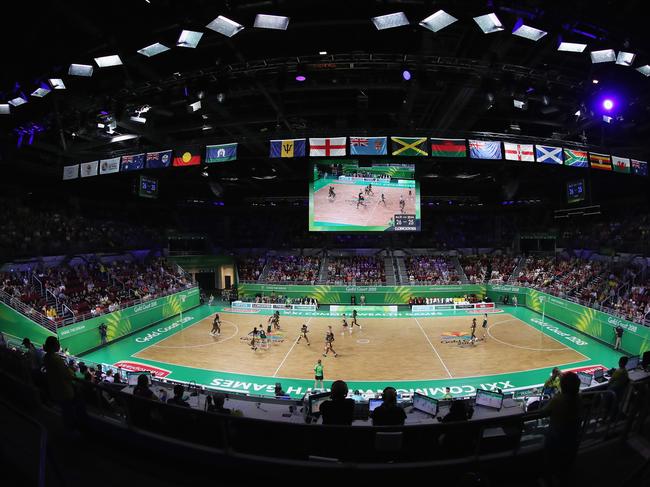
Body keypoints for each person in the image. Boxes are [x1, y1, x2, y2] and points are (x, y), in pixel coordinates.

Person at [543, 372, 582, 474]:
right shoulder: (579, 398)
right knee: (567, 460)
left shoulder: (558, 399)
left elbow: (543, 411)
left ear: (562, 385)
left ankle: (550, 476)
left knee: (551, 460)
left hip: (557, 437)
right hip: (573, 436)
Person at [43, 336, 77, 429]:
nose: (59, 345)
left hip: (55, 389)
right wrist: (71, 370)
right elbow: (69, 375)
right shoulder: (56, 359)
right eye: (57, 343)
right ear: (54, 346)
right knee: (68, 412)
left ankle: (68, 428)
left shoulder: (47, 357)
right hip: (64, 390)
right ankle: (70, 430)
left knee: (64, 410)